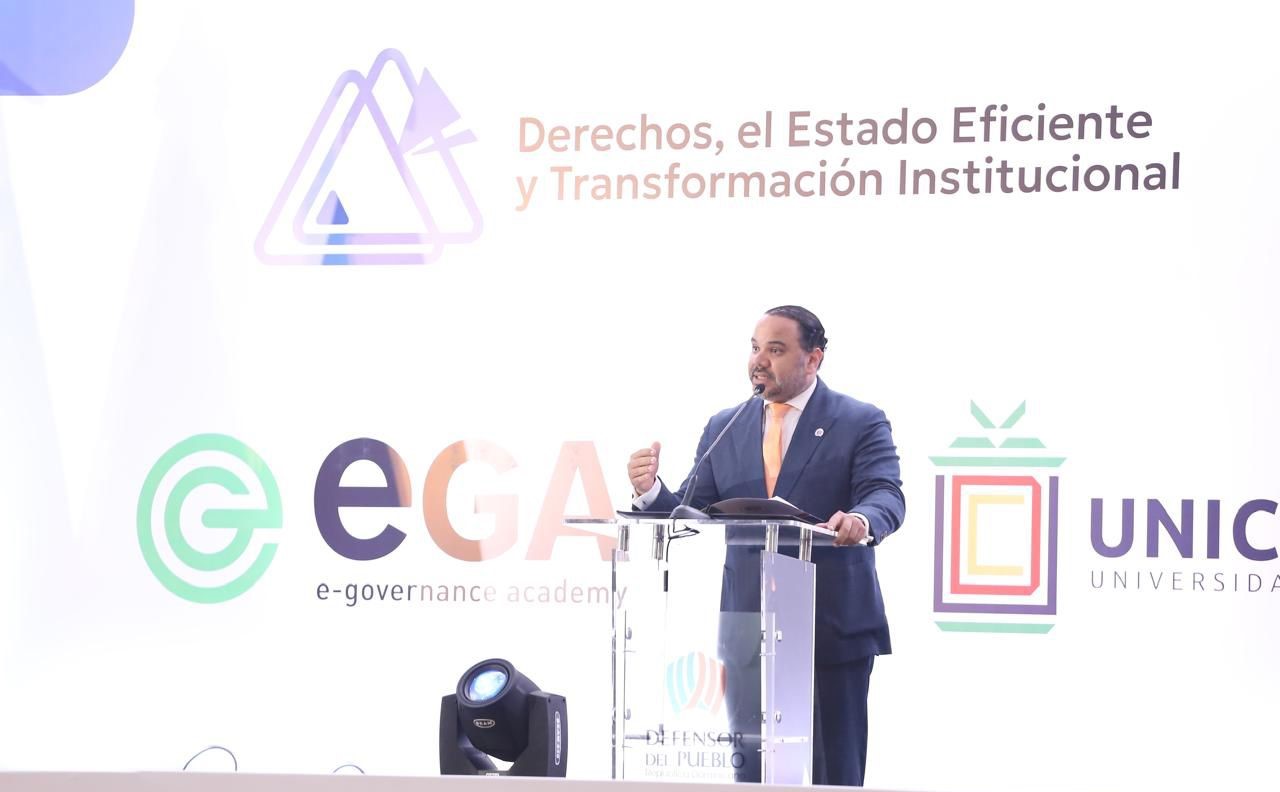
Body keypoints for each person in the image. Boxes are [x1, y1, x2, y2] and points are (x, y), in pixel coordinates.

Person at [627, 305, 905, 787]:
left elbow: (886, 494)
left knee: (833, 773)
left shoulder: (859, 420)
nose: (759, 361)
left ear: (813, 359)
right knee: (753, 773)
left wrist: (861, 519)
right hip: (748, 627)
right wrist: (650, 491)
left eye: (776, 350)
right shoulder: (725, 425)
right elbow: (690, 509)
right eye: (755, 348)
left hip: (830, 623)